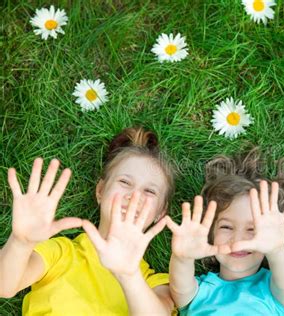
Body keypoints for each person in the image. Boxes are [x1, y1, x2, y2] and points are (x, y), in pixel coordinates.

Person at [0, 127, 175, 315]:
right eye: (124, 182)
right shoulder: (62, 253)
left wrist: (129, 276)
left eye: (149, 191)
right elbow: (4, 286)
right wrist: (20, 242)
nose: (134, 196)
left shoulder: (154, 284)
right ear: (100, 191)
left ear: (160, 212)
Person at [165, 150, 284, 315]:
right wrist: (183, 258)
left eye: (252, 229)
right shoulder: (201, 291)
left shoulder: (272, 292)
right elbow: (179, 288)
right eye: (226, 227)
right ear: (211, 234)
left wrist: (276, 249)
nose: (238, 240)